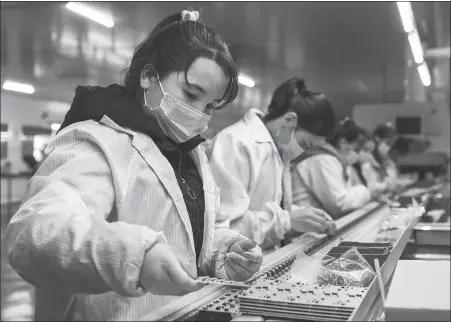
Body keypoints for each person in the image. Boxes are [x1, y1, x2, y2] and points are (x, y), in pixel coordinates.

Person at [4, 10, 263, 321]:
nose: (198, 114)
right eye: (191, 94)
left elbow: (189, 231)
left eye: (209, 106)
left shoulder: (191, 156)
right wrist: (129, 256)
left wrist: (221, 248)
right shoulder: (96, 143)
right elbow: (36, 233)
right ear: (149, 77)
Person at [209, 77, 337, 251]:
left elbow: (270, 204)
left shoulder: (277, 148)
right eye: (305, 144)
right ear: (289, 121)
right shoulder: (238, 143)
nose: (301, 151)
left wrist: (306, 215)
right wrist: (287, 221)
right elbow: (226, 226)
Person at [291, 118, 378, 218]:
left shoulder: (332, 159)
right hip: (306, 228)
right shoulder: (323, 159)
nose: (357, 156)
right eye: (357, 150)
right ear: (343, 143)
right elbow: (340, 205)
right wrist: (366, 191)